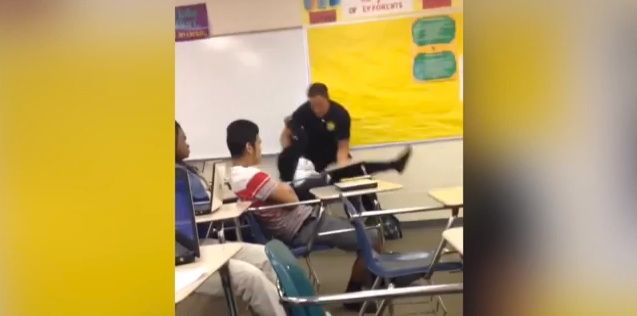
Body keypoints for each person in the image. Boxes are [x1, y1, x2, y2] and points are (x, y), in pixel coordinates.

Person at [226, 119, 382, 312]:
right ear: (249, 147)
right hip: (305, 227)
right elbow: (291, 198)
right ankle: (357, 294)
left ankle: (372, 286)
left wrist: (284, 188)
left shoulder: (236, 176)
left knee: (358, 224)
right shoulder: (251, 176)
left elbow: (286, 191)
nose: (261, 147)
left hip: (305, 221)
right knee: (373, 238)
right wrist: (284, 189)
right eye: (259, 142)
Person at [175, 122, 286, 316]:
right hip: (180, 257)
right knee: (251, 278)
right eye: (183, 138)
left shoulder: (184, 171)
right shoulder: (167, 179)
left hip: (195, 245)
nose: (187, 142)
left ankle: (296, 310)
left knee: (267, 255)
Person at [289, 82, 352, 172]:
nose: (316, 110)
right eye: (313, 105)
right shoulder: (302, 112)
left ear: (327, 99)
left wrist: (341, 169)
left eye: (320, 105)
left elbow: (343, 148)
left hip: (333, 156)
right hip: (310, 159)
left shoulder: (340, 115)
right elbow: (287, 134)